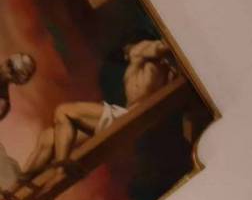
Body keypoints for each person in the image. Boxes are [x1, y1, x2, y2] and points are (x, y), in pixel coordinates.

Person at [14, 38, 182, 187]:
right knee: (48, 137)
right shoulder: (159, 69)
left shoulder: (141, 52)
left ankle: (61, 169)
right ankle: (18, 186)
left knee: (63, 111)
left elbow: (162, 46)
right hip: (123, 115)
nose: (126, 54)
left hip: (125, 118)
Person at [0, 52, 35, 121]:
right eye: (8, 63)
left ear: (19, 81)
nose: (5, 69)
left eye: (12, 71)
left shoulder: (2, 102)